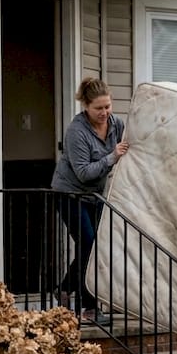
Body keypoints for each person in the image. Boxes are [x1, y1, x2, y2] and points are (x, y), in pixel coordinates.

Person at [51, 77, 129, 325]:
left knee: (95, 247)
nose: (104, 112)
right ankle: (89, 308)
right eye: (98, 108)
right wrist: (112, 157)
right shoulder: (77, 132)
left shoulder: (116, 124)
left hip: (95, 195)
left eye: (108, 106)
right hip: (69, 194)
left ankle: (64, 289)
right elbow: (84, 172)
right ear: (86, 106)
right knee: (89, 243)